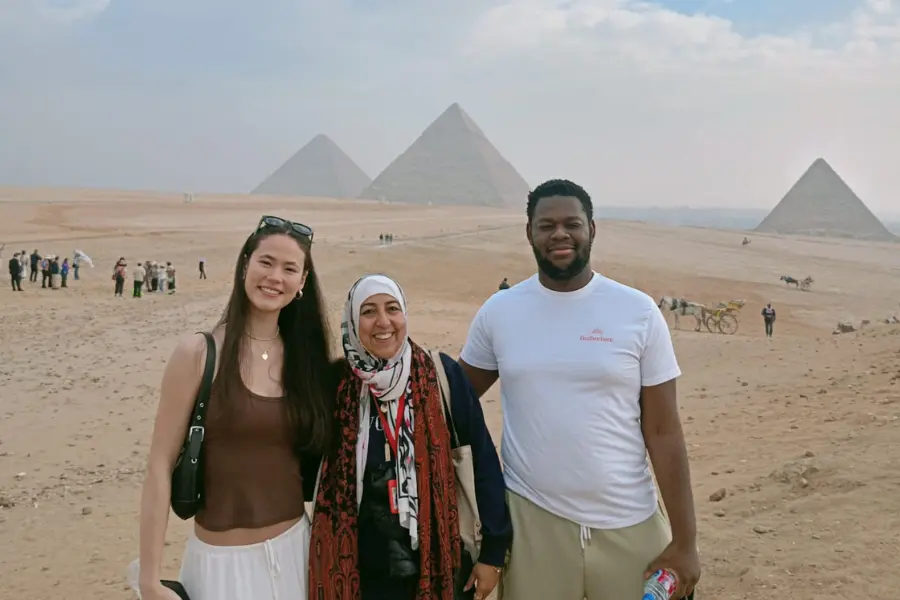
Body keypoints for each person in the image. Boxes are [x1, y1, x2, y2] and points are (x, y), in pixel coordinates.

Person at [458, 179, 700, 600]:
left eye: (572, 223)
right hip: (534, 526)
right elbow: (452, 401)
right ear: (529, 232)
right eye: (546, 225)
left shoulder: (637, 311)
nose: (559, 234)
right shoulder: (500, 312)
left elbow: (664, 432)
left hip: (630, 521)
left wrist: (685, 543)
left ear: (592, 228)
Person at [136, 216, 334, 600]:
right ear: (245, 265)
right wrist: (150, 578)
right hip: (220, 568)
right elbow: (159, 465)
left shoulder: (306, 362)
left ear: (303, 283)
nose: (275, 276)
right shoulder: (198, 354)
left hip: (299, 555)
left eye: (290, 268)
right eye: (266, 262)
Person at [309, 274, 511, 600]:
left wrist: (492, 553)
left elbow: (483, 462)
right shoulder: (337, 385)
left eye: (392, 308)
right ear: (352, 320)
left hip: (439, 563)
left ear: (404, 314)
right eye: (369, 311)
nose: (383, 322)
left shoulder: (441, 374)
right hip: (359, 573)